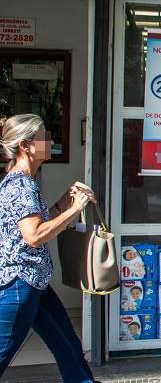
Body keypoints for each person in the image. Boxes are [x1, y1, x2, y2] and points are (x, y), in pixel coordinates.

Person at [0, 114, 98, 382]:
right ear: (26, 146)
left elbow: (37, 222)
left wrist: (63, 204)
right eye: (44, 137)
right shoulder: (20, 184)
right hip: (20, 286)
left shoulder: (25, 181)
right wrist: (76, 209)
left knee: (67, 346)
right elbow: (34, 236)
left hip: (35, 283)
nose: (51, 140)